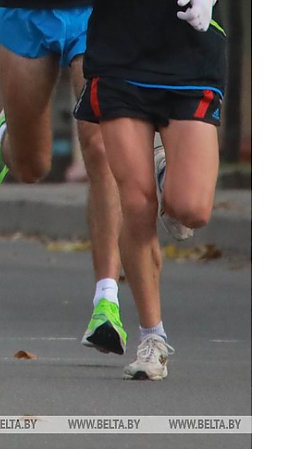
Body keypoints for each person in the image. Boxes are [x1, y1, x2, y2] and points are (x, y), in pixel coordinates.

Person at [74, 0, 225, 380]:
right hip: (119, 57)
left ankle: (165, 169)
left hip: (188, 54)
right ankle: (152, 338)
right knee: (137, 202)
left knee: (191, 209)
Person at [0, 0, 131, 357]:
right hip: (27, 13)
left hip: (96, 14)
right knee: (33, 167)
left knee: (101, 149)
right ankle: (4, 136)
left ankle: (107, 302)